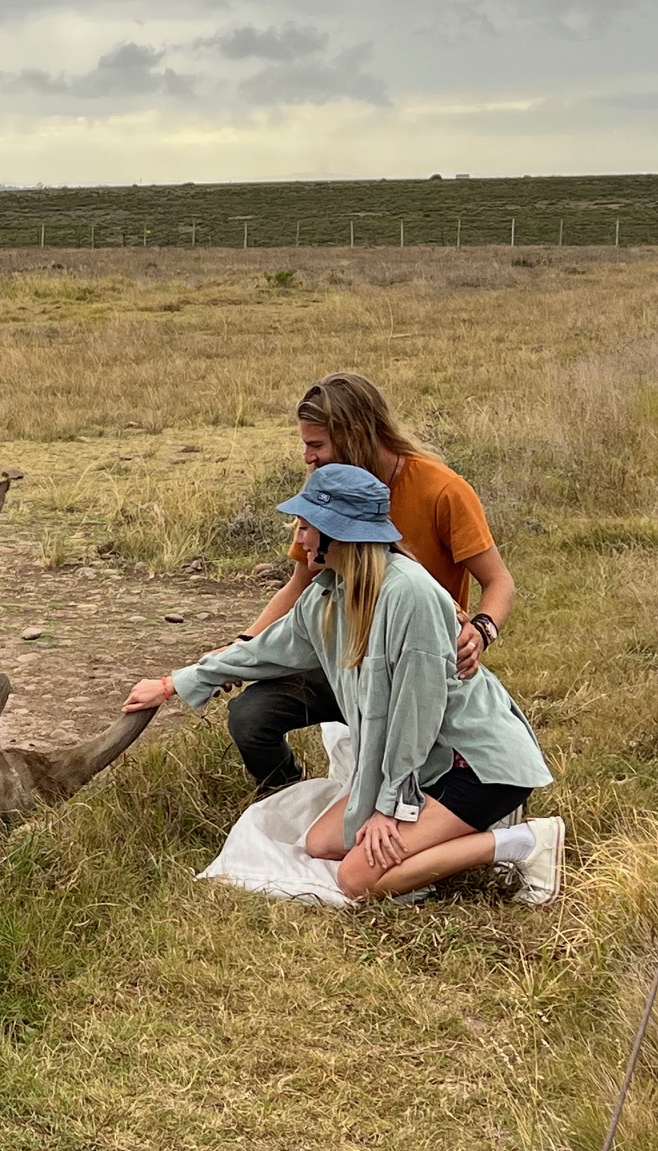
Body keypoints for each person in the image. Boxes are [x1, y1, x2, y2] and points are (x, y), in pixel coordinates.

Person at [123, 464, 562, 904]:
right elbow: (262, 651)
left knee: (357, 880)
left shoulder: (411, 595)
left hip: (474, 764)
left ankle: (524, 843)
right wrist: (172, 683)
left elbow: (417, 714)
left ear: (341, 533)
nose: (300, 540)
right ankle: (457, 830)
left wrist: (390, 808)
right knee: (322, 843)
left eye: (306, 526)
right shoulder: (328, 594)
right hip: (426, 763)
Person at [227, 373, 516, 794]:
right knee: (250, 717)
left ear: (356, 434)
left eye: (316, 445)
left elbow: (499, 581)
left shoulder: (442, 490)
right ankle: (285, 795)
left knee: (400, 785)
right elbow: (298, 587)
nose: (308, 458)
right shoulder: (325, 491)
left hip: (415, 674)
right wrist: (242, 645)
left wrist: (482, 630)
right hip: (343, 663)